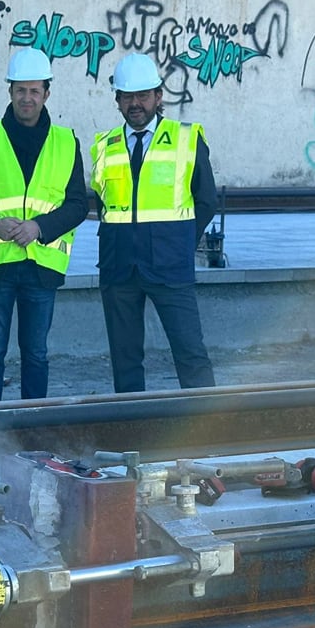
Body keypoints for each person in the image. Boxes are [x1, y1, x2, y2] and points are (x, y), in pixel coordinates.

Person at [0, 48, 88, 402]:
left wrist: (39, 227)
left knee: (36, 355)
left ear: (47, 93)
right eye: (20, 90)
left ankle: (33, 431)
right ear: (10, 91)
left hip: (42, 265)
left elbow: (79, 204)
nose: (27, 98)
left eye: (34, 90)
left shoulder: (66, 142)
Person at [90, 52, 217, 393]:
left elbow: (207, 200)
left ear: (158, 97)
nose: (136, 104)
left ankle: (207, 427)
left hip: (169, 265)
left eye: (143, 96)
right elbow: (103, 202)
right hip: (119, 268)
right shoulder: (105, 145)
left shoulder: (186, 139)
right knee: (125, 358)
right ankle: (133, 428)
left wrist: (180, 243)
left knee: (190, 352)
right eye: (128, 96)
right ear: (117, 100)